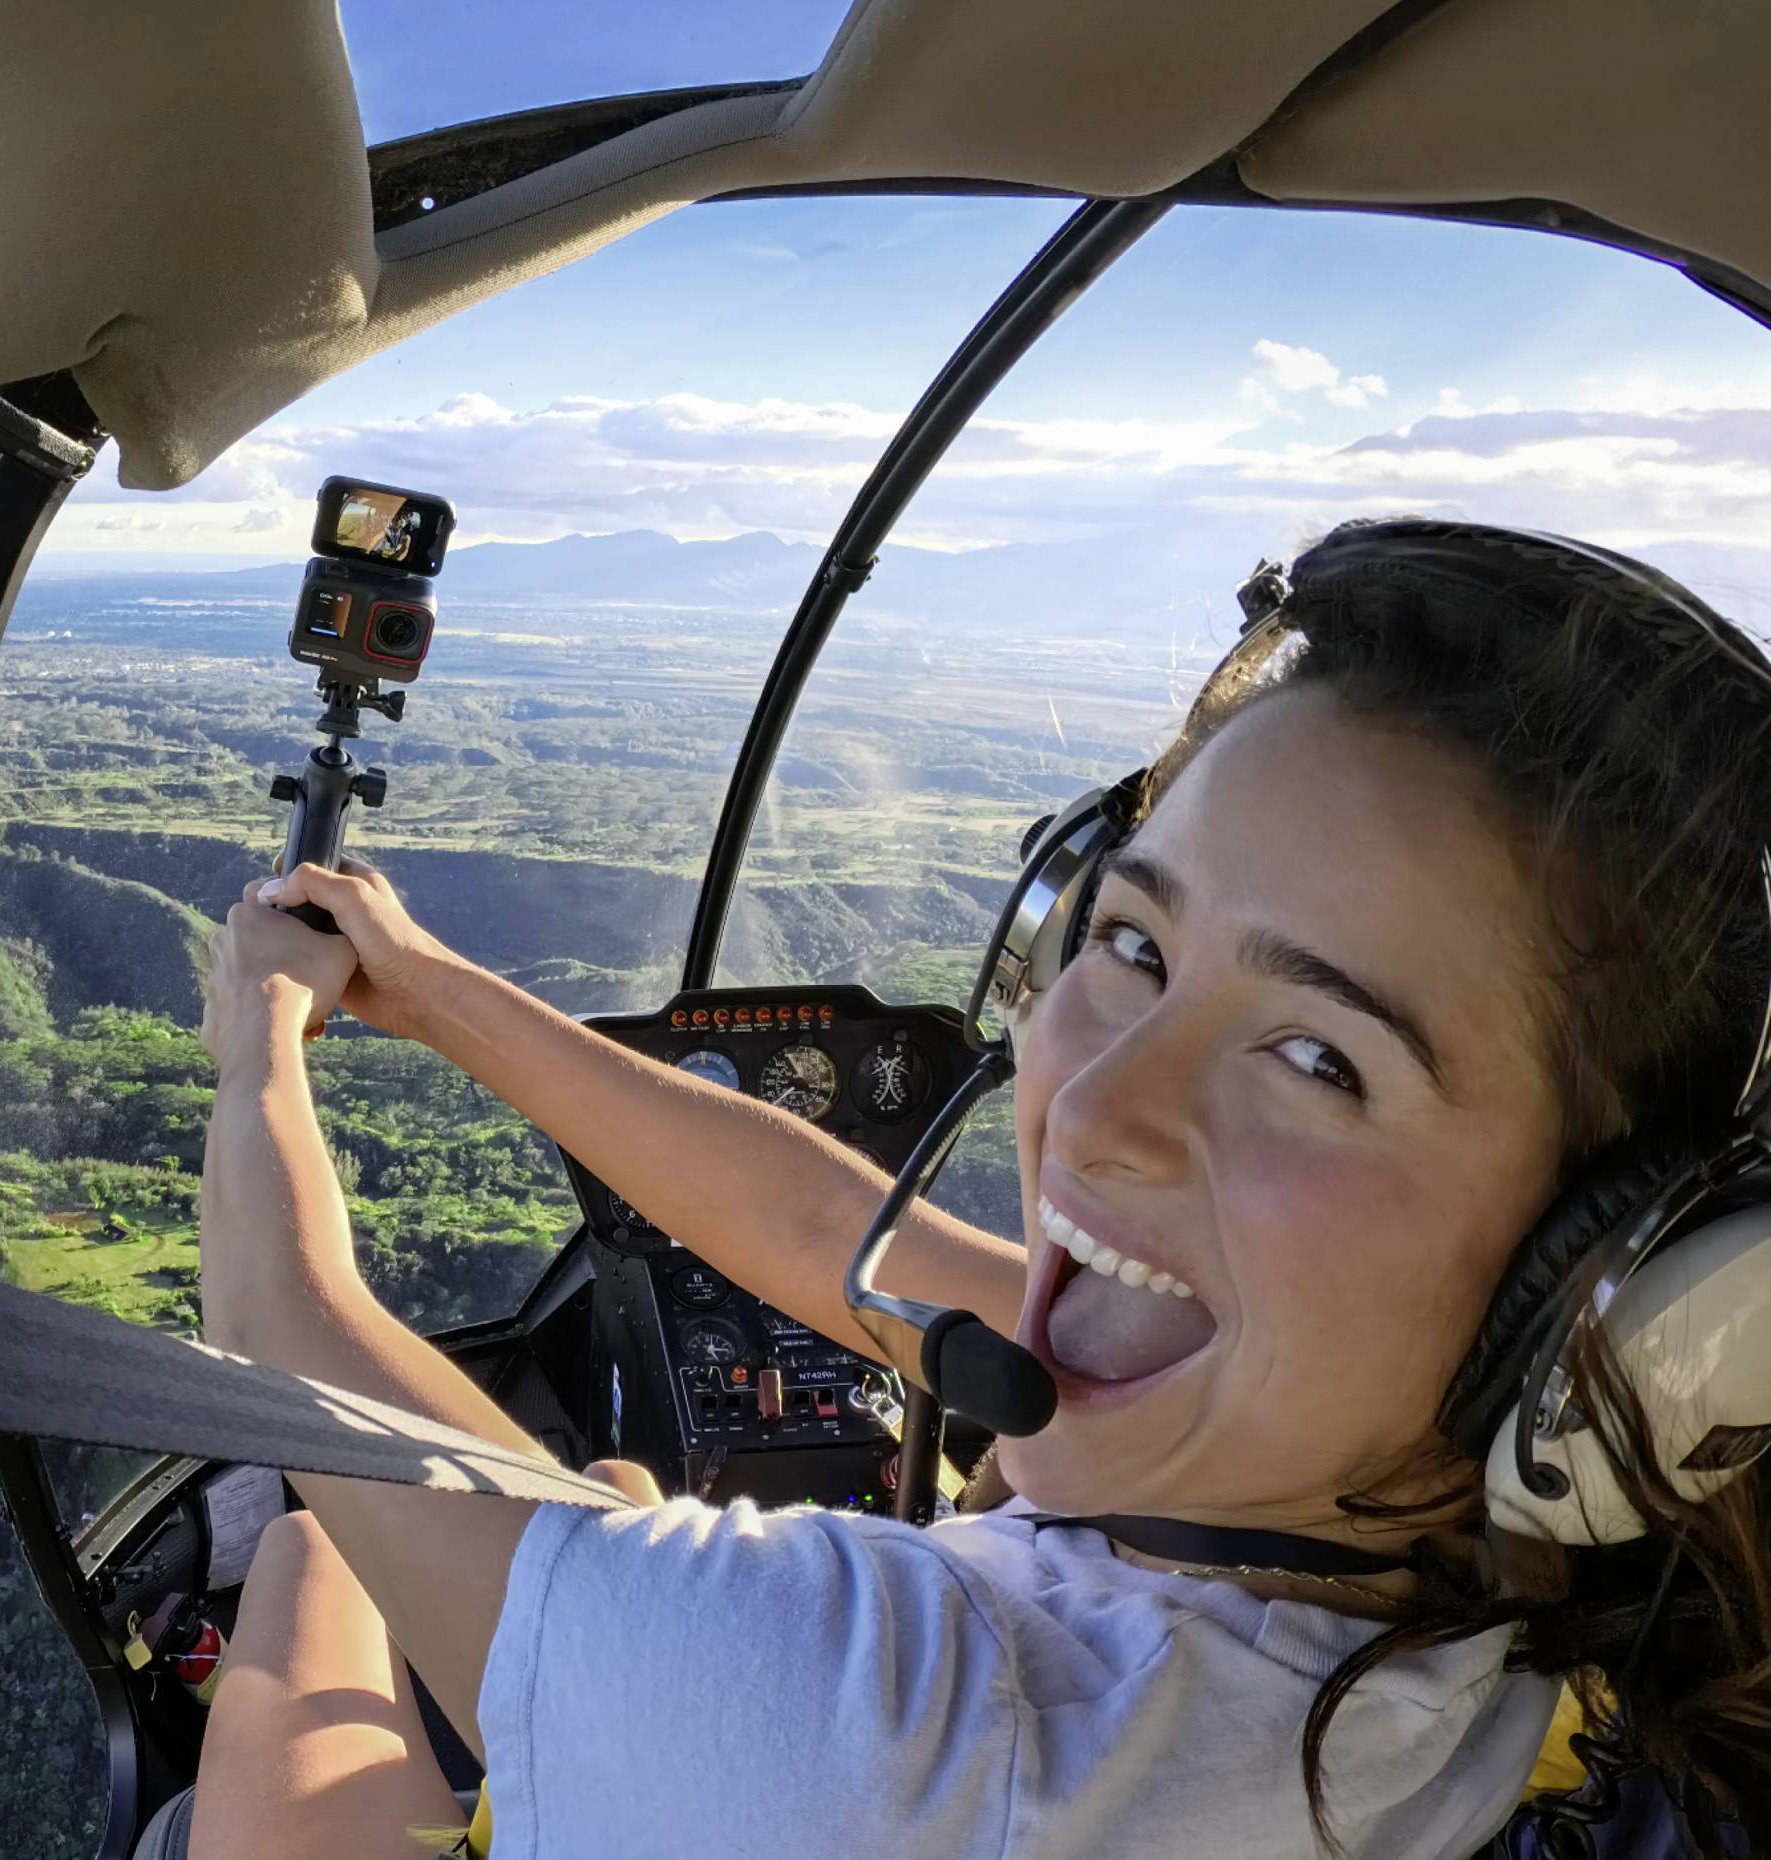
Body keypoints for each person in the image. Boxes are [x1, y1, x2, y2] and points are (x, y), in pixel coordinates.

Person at [185, 519, 1771, 1858]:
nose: (1090, 1106)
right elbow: (839, 1242)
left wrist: (257, 1029)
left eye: (1319, 1060)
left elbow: (283, 1329)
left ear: (1615, 1282)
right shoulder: (1502, 1581)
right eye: (1135, 944)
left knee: (321, 1551)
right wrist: (435, 988)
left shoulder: (894, 1740)